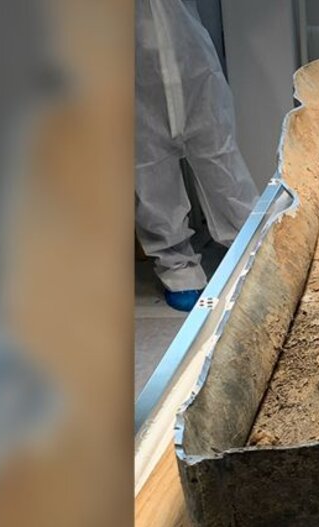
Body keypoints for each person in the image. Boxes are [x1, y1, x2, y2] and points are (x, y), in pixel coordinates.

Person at [135, 0, 257, 311]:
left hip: (188, 48)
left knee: (218, 151)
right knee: (150, 168)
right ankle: (177, 267)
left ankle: (251, 249)